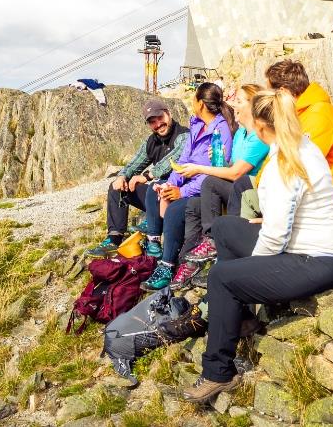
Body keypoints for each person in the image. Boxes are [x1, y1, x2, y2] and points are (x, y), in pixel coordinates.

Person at [183, 89, 333, 405]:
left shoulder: (283, 163)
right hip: (305, 248)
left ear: (262, 129)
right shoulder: (303, 146)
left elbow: (275, 238)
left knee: (223, 278)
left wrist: (248, 274)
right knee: (225, 227)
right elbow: (289, 214)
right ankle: (242, 318)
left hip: (317, 259)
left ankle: (219, 372)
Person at [149, 84, 271, 290]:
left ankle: (210, 243)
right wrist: (171, 184)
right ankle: (185, 262)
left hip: (247, 191)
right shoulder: (239, 134)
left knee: (202, 190)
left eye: (239, 101)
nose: (234, 105)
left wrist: (193, 177)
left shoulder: (255, 136)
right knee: (187, 203)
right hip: (222, 185)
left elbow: (235, 173)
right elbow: (215, 165)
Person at [262, 60, 333, 238]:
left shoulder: (318, 115)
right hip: (325, 204)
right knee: (245, 190)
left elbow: (296, 167)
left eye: (270, 93)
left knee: (254, 201)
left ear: (283, 92)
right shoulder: (304, 113)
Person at [144, 83, 235, 289]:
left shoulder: (220, 131)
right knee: (154, 189)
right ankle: (154, 248)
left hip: (206, 189)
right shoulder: (196, 124)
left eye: (194, 99)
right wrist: (170, 184)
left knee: (176, 208)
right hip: (187, 183)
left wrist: (181, 191)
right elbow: (182, 160)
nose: (191, 102)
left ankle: (167, 266)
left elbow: (215, 174)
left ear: (201, 103)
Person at [89, 100, 184, 257]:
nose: (158, 124)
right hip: (155, 195)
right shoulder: (151, 141)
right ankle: (114, 239)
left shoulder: (183, 135)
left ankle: (154, 235)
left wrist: (147, 175)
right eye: (152, 122)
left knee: (155, 186)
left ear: (168, 113)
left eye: (160, 118)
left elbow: (175, 157)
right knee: (116, 187)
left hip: (176, 195)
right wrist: (122, 176)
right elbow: (134, 163)